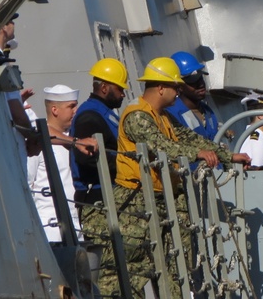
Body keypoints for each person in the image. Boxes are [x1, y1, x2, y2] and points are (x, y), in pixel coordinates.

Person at [96, 58, 250, 299]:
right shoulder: (137, 115)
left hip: (161, 198)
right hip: (135, 201)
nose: (179, 93)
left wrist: (227, 156)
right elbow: (160, 146)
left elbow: (189, 138)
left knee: (173, 266)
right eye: (175, 88)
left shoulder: (163, 116)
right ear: (160, 88)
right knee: (130, 267)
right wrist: (196, 155)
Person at [27, 85, 96, 244]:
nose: (75, 111)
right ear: (55, 110)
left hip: (74, 223)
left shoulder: (74, 140)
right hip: (49, 225)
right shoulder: (37, 141)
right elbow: (28, 182)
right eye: (71, 106)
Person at [72, 57, 129, 246]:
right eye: (120, 89)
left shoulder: (104, 113)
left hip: (107, 194)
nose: (123, 95)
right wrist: (127, 164)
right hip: (97, 198)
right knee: (107, 257)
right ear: (104, 87)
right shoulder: (90, 116)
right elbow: (86, 157)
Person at [0, 13, 37, 160]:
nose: (14, 25)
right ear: (3, 26)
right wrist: (33, 138)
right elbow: (15, 110)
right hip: (8, 147)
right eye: (11, 20)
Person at [165, 51, 218, 139]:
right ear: (179, 86)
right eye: (193, 81)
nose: (201, 84)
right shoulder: (172, 114)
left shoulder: (207, 111)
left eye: (201, 78)